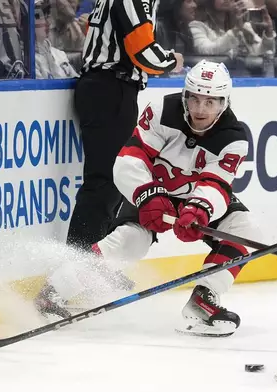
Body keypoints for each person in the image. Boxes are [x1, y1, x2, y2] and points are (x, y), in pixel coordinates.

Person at [36, 60, 259, 337]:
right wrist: (147, 195)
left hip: (195, 197)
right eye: (195, 99)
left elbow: (216, 183)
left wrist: (198, 210)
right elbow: (129, 160)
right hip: (153, 191)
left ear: (224, 103)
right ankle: (55, 289)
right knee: (131, 242)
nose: (201, 110)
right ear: (185, 95)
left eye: (210, 102)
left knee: (242, 229)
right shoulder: (162, 111)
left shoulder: (233, 138)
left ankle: (205, 298)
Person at [66, 0, 184, 252]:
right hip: (110, 89)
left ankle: (92, 263)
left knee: (111, 181)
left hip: (109, 88)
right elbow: (141, 50)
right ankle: (75, 268)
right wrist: (171, 61)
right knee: (105, 182)